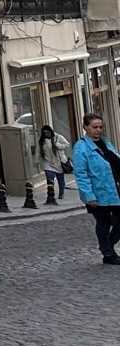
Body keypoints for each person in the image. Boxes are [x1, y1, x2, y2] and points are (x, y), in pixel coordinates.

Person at [71, 114, 120, 266]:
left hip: (115, 190)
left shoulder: (106, 143)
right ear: (86, 127)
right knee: (103, 223)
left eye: (100, 127)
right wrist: (88, 196)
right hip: (98, 193)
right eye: (94, 127)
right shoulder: (81, 148)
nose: (98, 130)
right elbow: (81, 174)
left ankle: (108, 246)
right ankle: (108, 253)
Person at [39, 124, 71, 201]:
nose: (46, 134)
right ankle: (51, 194)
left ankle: (61, 194)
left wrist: (58, 145)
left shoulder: (58, 137)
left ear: (51, 132)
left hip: (59, 162)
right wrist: (37, 161)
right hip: (48, 162)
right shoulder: (41, 141)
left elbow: (67, 144)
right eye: (44, 133)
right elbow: (38, 151)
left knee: (60, 180)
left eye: (47, 132)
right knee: (50, 179)